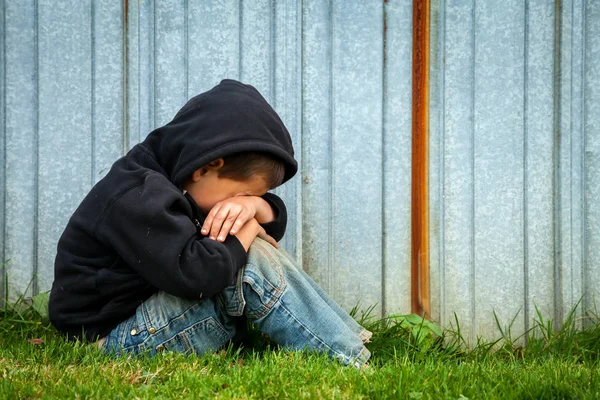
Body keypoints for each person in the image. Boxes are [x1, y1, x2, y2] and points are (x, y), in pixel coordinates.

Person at [48, 79, 371, 368]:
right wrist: (247, 229)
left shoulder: (188, 179)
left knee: (246, 244)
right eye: (239, 196)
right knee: (249, 263)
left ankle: (348, 338)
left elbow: (272, 222)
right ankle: (348, 358)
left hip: (143, 314)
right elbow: (198, 275)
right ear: (207, 166)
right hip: (114, 341)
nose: (237, 208)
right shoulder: (137, 195)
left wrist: (254, 205)